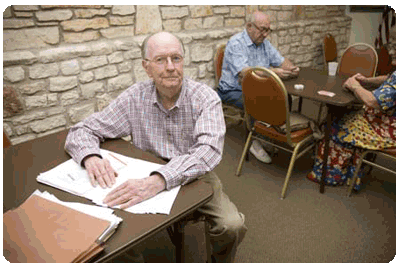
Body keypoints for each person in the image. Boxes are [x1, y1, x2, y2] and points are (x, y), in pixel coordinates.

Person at [65, 31, 247, 263]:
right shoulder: (134, 98)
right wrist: (90, 156)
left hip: (195, 175)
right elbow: (83, 130)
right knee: (119, 236)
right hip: (145, 173)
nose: (171, 67)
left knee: (232, 226)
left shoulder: (205, 98)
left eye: (176, 58)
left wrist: (161, 179)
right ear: (146, 67)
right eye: (161, 60)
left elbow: (208, 151)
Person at [307, 25, 396, 191]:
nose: (390, 51)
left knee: (334, 126)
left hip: (389, 128)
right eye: (390, 46)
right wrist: (368, 81)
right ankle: (350, 171)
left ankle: (331, 175)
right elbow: (390, 79)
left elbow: (372, 101)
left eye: (394, 46)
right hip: (388, 120)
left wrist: (355, 86)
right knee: (345, 115)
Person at [217, 11, 300, 164]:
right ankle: (254, 141)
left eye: (268, 30)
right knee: (258, 101)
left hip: (257, 87)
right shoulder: (236, 43)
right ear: (249, 26)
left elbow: (280, 60)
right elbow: (246, 73)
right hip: (231, 90)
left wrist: (291, 67)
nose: (266, 34)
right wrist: (273, 72)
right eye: (262, 29)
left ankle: (267, 134)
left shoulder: (264, 43)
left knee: (283, 96)